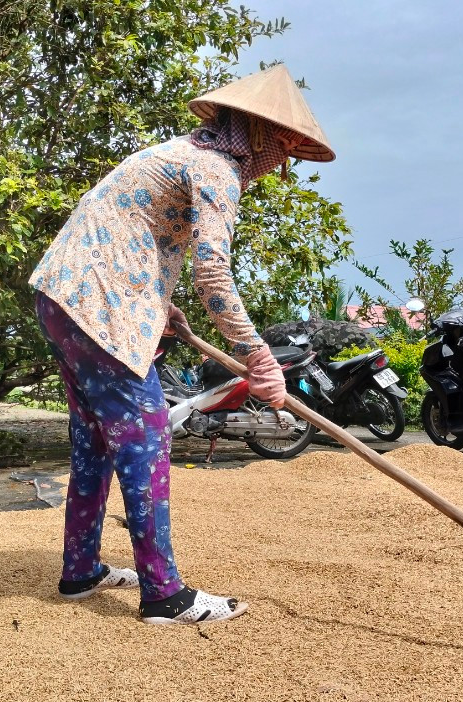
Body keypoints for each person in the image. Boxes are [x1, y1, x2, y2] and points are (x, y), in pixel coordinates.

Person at [29, 65, 335, 625]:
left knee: (95, 439)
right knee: (145, 441)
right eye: (284, 150)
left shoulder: (172, 154)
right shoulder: (215, 170)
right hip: (102, 306)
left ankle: (80, 571)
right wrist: (258, 356)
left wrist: (160, 308)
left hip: (61, 295)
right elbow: (213, 277)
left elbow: (128, 233)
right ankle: (165, 595)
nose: (281, 166)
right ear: (263, 135)